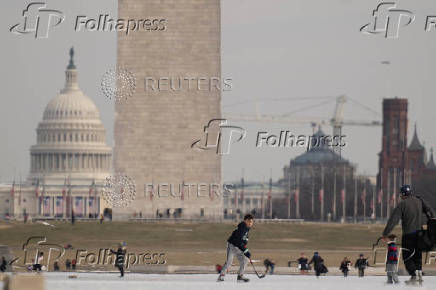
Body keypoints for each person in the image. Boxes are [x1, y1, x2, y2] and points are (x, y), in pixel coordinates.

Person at [382, 184, 435, 285]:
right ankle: (418, 276)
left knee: (407, 257)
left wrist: (385, 233)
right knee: (417, 256)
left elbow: (393, 220)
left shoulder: (402, 204)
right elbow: (430, 211)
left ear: (402, 194)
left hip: (408, 235)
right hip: (420, 234)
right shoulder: (419, 201)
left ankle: (414, 276)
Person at [217, 214, 254, 283]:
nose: (250, 223)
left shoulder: (246, 228)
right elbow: (239, 241)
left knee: (245, 260)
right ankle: (221, 276)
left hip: (238, 247)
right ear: (245, 221)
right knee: (229, 262)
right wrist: (245, 250)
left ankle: (240, 276)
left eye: (251, 222)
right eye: (249, 221)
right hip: (232, 246)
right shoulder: (242, 227)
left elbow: (243, 241)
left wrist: (245, 247)